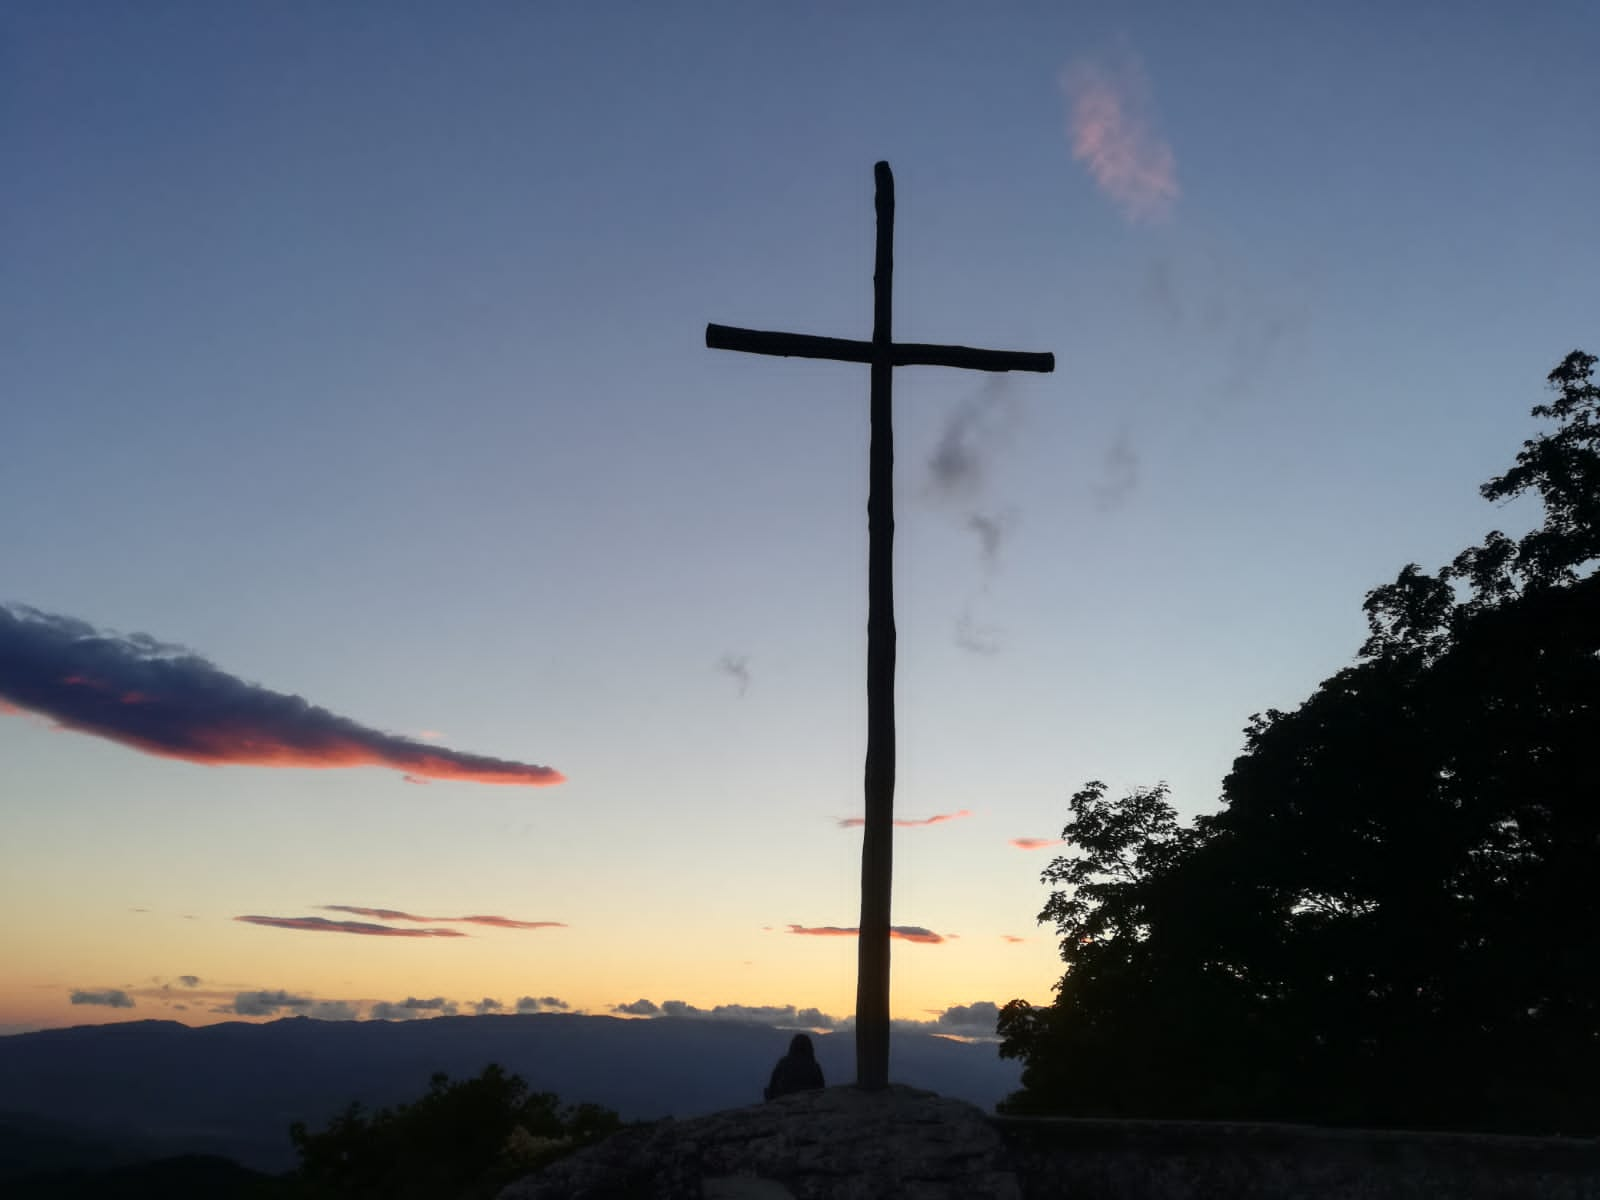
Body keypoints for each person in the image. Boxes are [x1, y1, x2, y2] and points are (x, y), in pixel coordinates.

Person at [764, 1032, 825, 1100]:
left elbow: (772, 1087)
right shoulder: (814, 1067)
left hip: (782, 1101)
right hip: (808, 1102)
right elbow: (821, 1089)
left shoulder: (783, 1064)